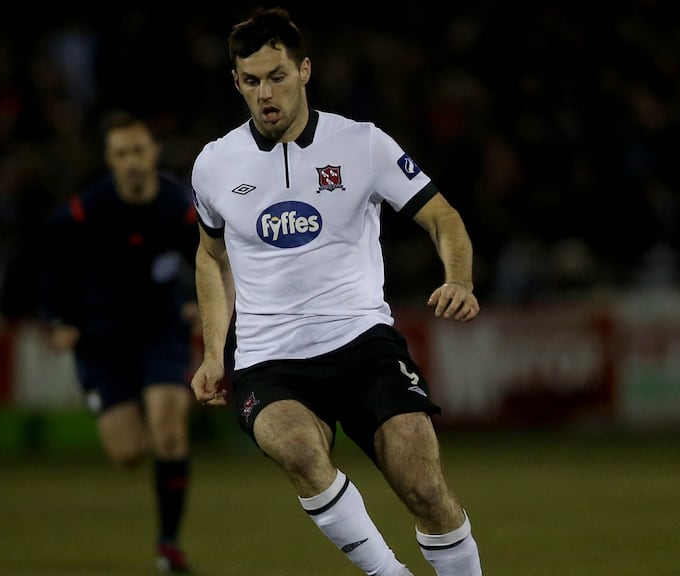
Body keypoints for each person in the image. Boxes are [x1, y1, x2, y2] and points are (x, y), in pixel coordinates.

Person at [188, 7, 483, 576]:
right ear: (236, 83)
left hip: (363, 344)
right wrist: (212, 351)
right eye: (250, 81)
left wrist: (459, 279)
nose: (264, 93)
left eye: (276, 76)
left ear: (304, 70)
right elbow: (211, 256)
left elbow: (443, 217)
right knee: (296, 447)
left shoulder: (363, 144)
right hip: (269, 358)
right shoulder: (214, 164)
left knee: (423, 487)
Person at [37, 110, 201, 573]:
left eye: (138, 150)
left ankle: (169, 544)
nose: (131, 161)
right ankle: (147, 430)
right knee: (128, 453)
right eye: (121, 153)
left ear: (153, 153)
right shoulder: (86, 210)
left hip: (160, 333)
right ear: (110, 160)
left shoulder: (178, 205)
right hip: (101, 340)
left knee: (169, 432)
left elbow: (212, 260)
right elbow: (49, 265)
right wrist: (56, 320)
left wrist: (195, 302)